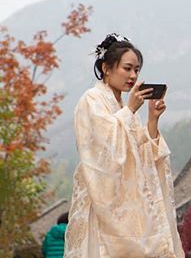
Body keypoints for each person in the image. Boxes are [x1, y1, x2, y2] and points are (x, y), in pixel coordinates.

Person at [64, 33, 184, 258]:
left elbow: (143, 157)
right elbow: (103, 154)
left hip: (129, 212)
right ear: (107, 68)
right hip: (102, 206)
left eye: (137, 70)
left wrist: (152, 120)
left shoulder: (124, 106)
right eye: (127, 68)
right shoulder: (92, 100)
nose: (133, 75)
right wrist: (129, 111)